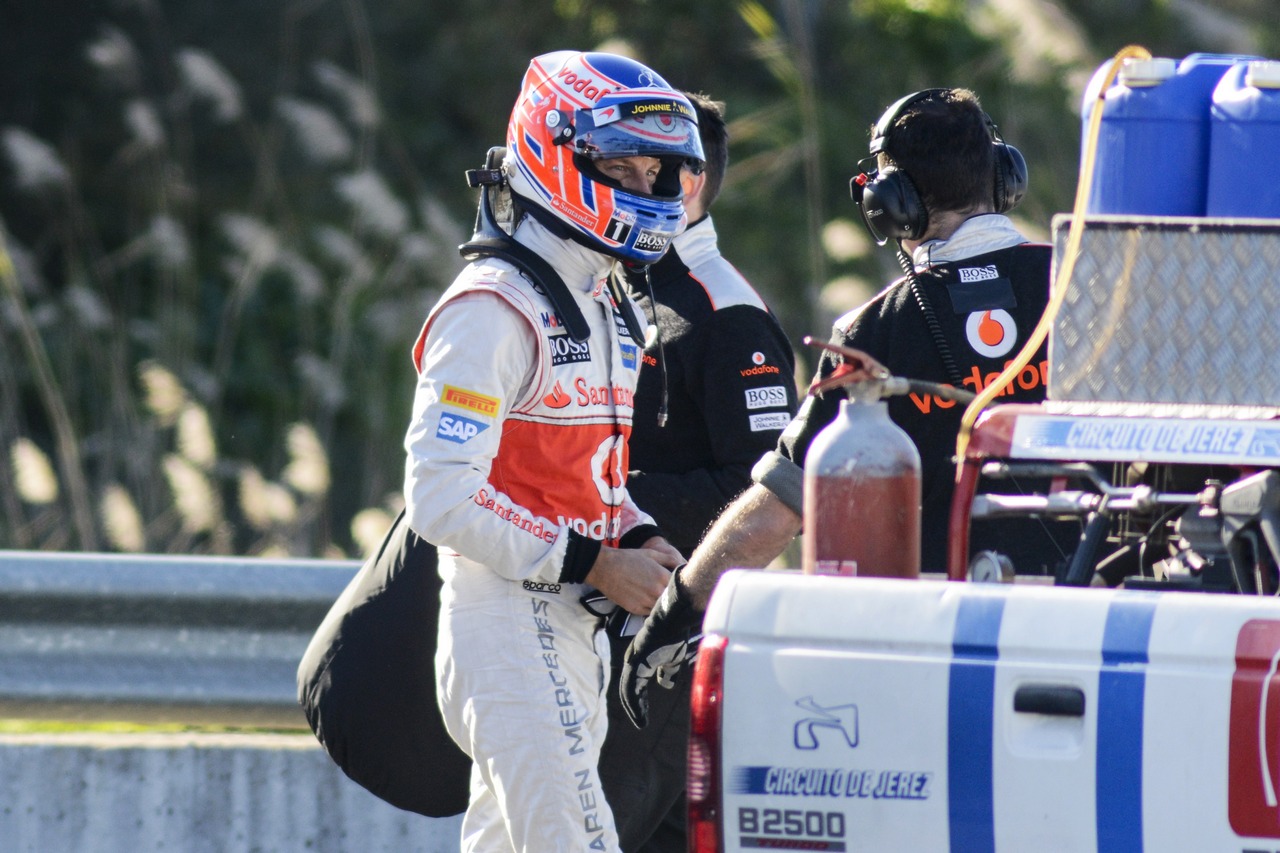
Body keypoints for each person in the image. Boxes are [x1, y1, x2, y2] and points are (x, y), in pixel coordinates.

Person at [620, 86, 1078, 728]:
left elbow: (778, 510)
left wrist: (674, 616)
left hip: (942, 656)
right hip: (1101, 638)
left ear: (889, 203)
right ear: (1004, 176)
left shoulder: (872, 333)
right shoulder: (1091, 291)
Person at [403, 50, 704, 852]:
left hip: (564, 621)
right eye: (623, 166)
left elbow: (588, 477)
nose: (647, 187)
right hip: (506, 618)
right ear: (554, 149)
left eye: (659, 170)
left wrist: (633, 532)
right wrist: (595, 562)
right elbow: (439, 495)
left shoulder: (603, 298)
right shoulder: (492, 307)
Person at [598, 92, 799, 852]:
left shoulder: (728, 314)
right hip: (606, 629)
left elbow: (761, 492)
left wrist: (604, 502)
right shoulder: (627, 281)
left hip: (679, 649)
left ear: (682, 183)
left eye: (635, 165)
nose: (613, 178)